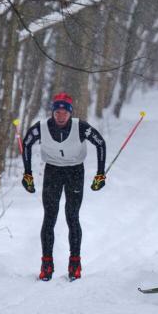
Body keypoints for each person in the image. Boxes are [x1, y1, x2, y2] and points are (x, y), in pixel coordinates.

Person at [21, 93, 107, 281]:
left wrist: (100, 173)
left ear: (70, 113)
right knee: (49, 217)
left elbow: (100, 143)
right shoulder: (42, 128)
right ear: (53, 112)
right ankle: (46, 264)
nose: (60, 116)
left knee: (72, 216)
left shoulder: (80, 127)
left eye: (64, 112)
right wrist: (27, 173)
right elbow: (26, 143)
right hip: (52, 172)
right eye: (57, 112)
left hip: (75, 172)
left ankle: (75, 264)